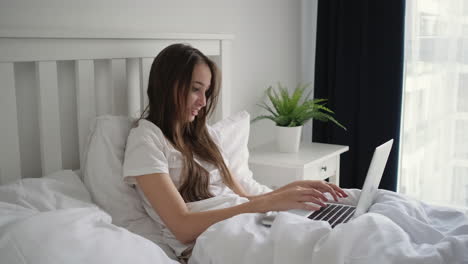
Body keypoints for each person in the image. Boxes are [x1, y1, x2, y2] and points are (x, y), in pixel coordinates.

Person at [122, 43, 348, 259]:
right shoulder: (146, 138)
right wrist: (266, 204)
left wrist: (293, 191)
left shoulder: (204, 137)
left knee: (337, 235)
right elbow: (182, 226)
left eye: (206, 92)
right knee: (327, 248)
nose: (202, 102)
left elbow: (244, 198)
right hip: (211, 238)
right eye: (195, 89)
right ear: (167, 85)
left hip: (247, 221)